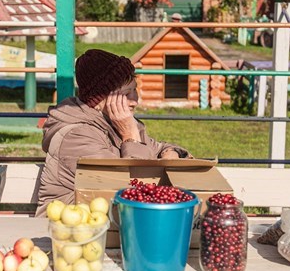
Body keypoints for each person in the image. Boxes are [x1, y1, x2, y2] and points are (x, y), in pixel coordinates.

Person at [35, 49, 190, 216]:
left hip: (113, 224)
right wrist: (131, 137)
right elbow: (130, 191)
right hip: (69, 231)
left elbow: (158, 147)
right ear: (99, 98)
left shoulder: (117, 122)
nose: (135, 100)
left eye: (135, 90)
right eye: (126, 94)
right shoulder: (76, 136)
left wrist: (170, 153)